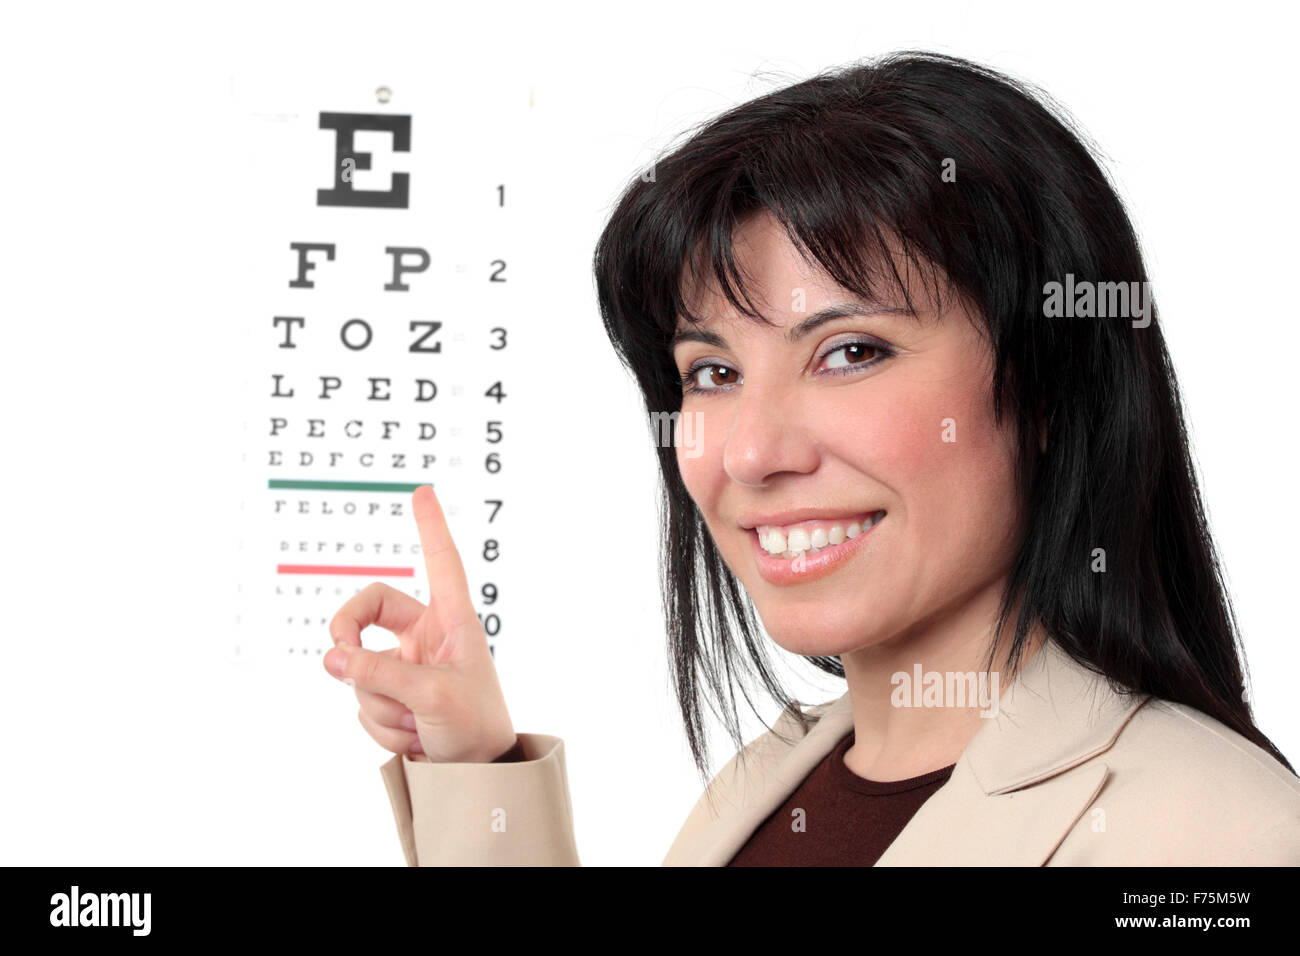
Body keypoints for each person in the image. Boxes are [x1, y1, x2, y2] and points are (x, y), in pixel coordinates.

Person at [323, 51, 1300, 865]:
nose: (749, 450)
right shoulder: (764, 786)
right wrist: (478, 769)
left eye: (850, 351)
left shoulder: (1212, 837)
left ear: (1045, 388)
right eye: (710, 372)